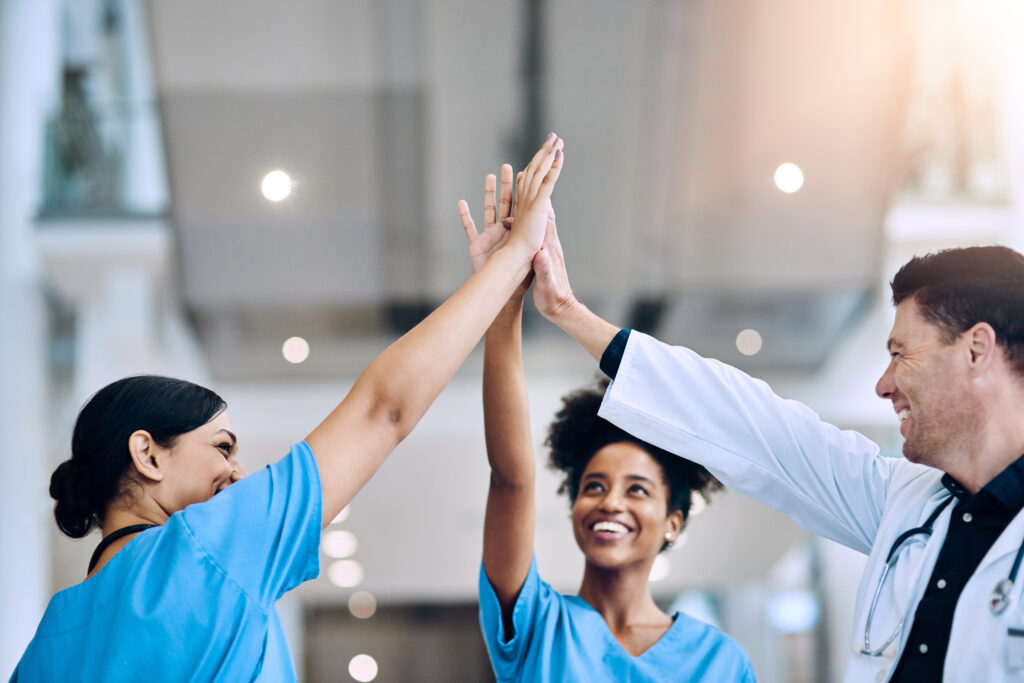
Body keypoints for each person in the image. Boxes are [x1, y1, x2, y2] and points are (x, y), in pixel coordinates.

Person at [9, 135, 564, 682]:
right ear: (147, 454)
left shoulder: (46, 646)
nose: (237, 472)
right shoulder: (207, 547)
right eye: (221, 447)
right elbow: (382, 410)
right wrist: (513, 258)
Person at [528, 225, 1024, 682]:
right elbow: (748, 424)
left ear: (976, 350)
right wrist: (567, 310)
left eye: (900, 353)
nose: (883, 384)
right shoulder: (905, 503)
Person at [459, 169, 756, 682]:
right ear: (575, 507)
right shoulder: (537, 627)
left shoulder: (720, 663)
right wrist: (503, 297)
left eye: (637, 489)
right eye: (594, 486)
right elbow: (511, 476)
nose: (610, 502)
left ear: (674, 522)